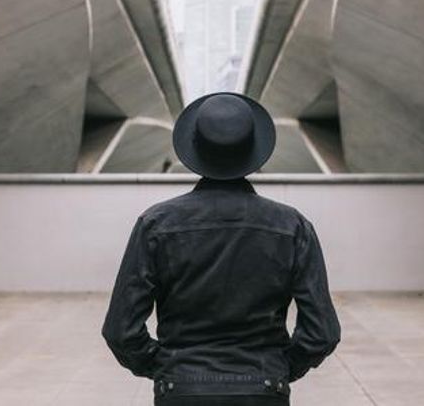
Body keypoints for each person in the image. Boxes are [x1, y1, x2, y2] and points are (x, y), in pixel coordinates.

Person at [102, 92, 340, 405]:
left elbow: (121, 330)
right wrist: (278, 369)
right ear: (253, 151)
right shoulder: (293, 227)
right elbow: (322, 332)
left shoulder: (155, 224)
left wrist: (167, 369)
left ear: (195, 148)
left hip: (180, 392)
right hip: (264, 391)